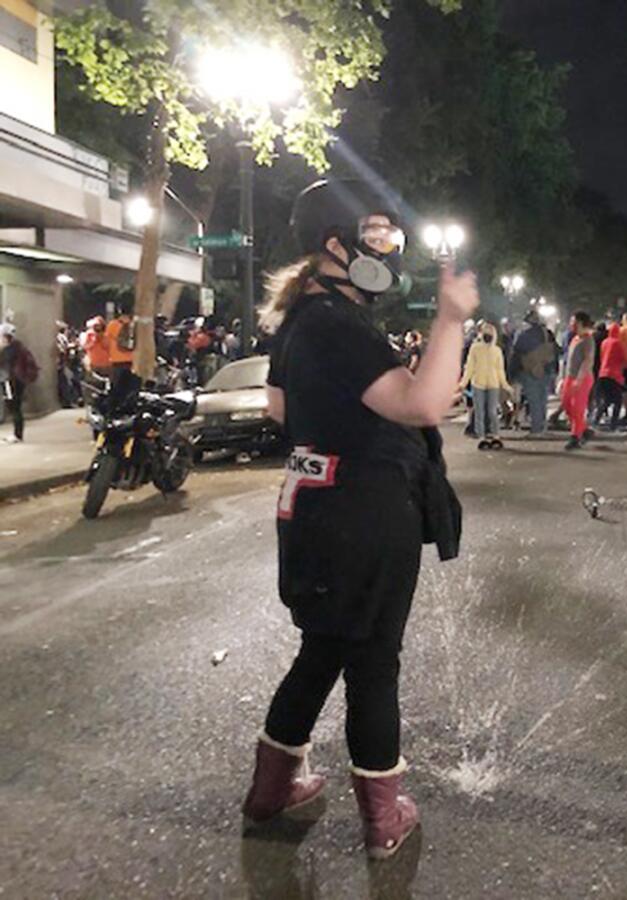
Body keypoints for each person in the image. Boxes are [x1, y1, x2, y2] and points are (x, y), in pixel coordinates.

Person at [243, 178, 478, 860]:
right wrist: (451, 317)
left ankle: (271, 792)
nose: (387, 247)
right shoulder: (337, 324)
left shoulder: (297, 321)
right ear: (334, 244)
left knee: (322, 650)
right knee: (374, 662)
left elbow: (279, 412)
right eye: (374, 235)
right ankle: (384, 817)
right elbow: (423, 406)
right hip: (367, 510)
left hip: (312, 504)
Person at [459, 321, 511, 448]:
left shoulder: (496, 350)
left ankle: (495, 435)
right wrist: (463, 383)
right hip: (479, 384)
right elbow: (470, 367)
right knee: (481, 412)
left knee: (492, 412)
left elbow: (500, 369)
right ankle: (482, 436)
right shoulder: (475, 348)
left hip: (492, 383)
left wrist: (505, 384)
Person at [509, 310, 557, 435]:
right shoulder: (548, 334)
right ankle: (542, 426)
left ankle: (536, 429)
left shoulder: (523, 335)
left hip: (529, 370)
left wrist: (511, 374)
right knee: (542, 399)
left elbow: (516, 354)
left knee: (534, 400)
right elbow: (555, 351)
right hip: (546, 369)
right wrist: (553, 370)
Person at [561, 311, 596, 450]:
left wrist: (579, 379)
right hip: (570, 376)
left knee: (577, 408)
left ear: (580, 323)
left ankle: (575, 437)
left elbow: (588, 361)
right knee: (566, 404)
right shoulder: (575, 338)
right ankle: (585, 430)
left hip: (583, 378)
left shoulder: (588, 340)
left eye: (573, 322)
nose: (571, 325)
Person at [1, 323, 39, 442]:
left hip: (11, 381)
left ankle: (17, 435)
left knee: (14, 407)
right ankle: (17, 434)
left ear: (6, 337)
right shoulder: (18, 347)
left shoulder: (9, 350)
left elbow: (5, 366)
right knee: (14, 407)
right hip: (17, 380)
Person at [596, 319, 627, 430]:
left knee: (607, 399)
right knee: (617, 401)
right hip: (614, 375)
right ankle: (613, 424)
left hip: (602, 373)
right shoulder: (618, 343)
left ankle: (596, 419)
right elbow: (623, 359)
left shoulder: (605, 342)